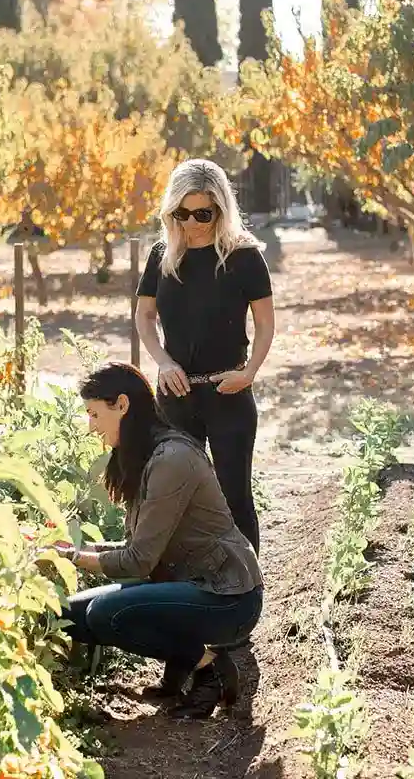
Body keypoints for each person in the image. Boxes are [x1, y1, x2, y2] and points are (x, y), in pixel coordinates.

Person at [59, 362, 264, 716]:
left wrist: (77, 558)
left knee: (107, 614)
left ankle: (210, 667)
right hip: (189, 586)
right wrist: (77, 550)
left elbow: (139, 561)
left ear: (122, 405)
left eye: (94, 414)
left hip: (227, 595)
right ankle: (186, 664)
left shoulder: (173, 459)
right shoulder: (143, 456)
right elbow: (138, 548)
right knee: (69, 614)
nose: (90, 427)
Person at [136, 158, 275, 554]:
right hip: (175, 398)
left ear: (221, 209)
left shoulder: (244, 257)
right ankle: (193, 587)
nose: (192, 222)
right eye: (182, 212)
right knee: (180, 499)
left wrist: (248, 373)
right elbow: (144, 316)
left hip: (229, 394)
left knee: (234, 497)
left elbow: (265, 324)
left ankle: (246, 588)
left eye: (203, 213)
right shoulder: (162, 256)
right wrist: (163, 361)